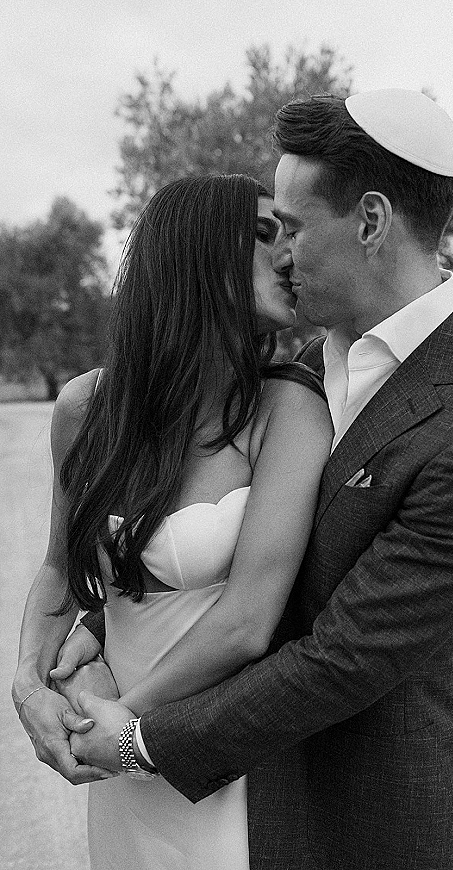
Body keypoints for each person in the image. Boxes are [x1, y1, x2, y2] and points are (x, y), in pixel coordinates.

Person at [24, 89, 453, 870]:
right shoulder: (296, 373)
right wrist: (113, 614)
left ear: (369, 223)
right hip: (241, 799)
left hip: (369, 820)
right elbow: (206, 539)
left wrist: (133, 736)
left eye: (293, 229)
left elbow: (343, 656)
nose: (283, 253)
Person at [12, 173, 333, 869]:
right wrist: (29, 686)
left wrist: (125, 721)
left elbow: (247, 621)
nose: (286, 254)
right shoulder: (85, 410)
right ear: (192, 253)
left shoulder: (287, 411)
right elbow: (59, 571)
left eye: (287, 233)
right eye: (260, 233)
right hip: (118, 762)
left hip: (215, 762)